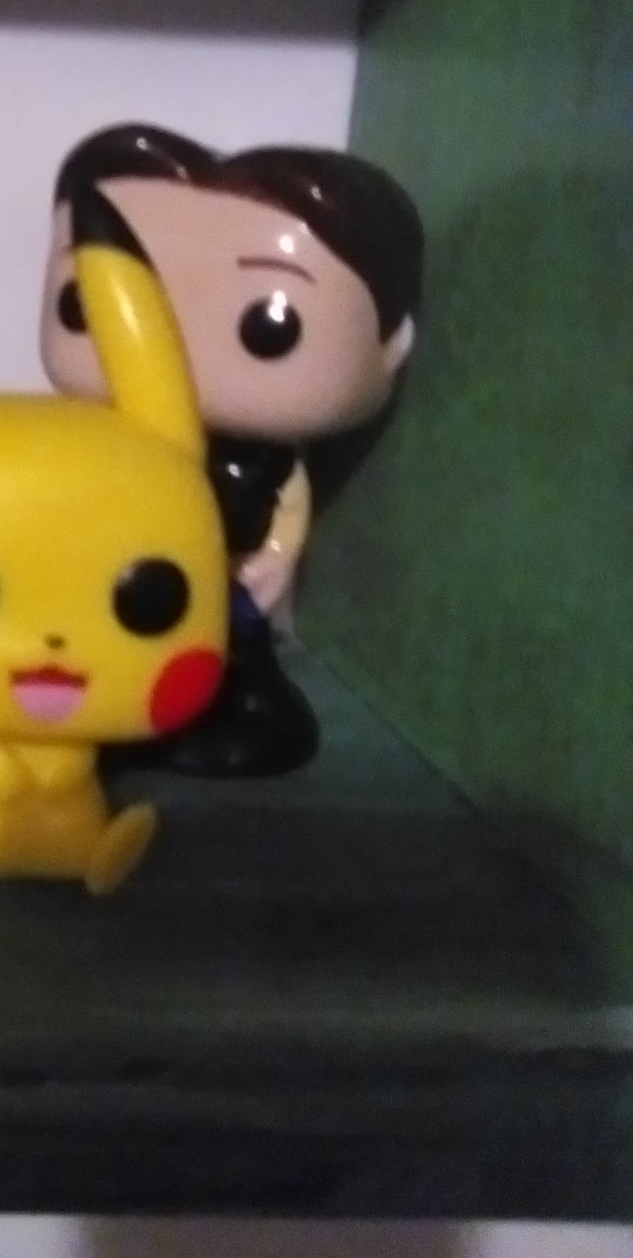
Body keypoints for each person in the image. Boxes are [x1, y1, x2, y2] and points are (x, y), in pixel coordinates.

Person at [40, 123, 423, 776]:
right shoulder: (105, 441)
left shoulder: (268, 461)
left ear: (392, 344)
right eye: (88, 304)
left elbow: (287, 511)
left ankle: (239, 705)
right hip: (125, 599)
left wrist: (273, 559)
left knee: (232, 651)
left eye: (269, 326)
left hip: (227, 578)